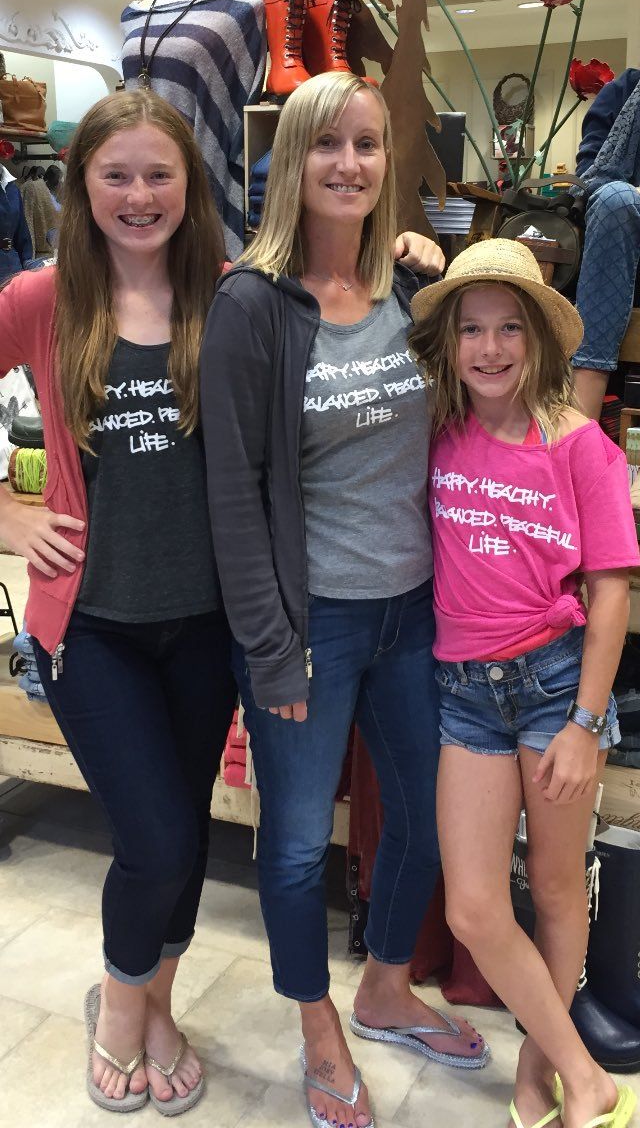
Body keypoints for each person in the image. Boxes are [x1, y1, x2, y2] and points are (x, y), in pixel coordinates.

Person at [199, 70, 488, 1128]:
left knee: (420, 816)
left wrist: (441, 264)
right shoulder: (251, 305)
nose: (349, 163)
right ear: (291, 161)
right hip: (311, 620)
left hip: (414, 610)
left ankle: (385, 987)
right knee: (290, 843)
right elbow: (233, 496)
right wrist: (270, 648)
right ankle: (318, 1026)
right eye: (327, 143)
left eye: (366, 144)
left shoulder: (410, 290)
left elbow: (484, 371)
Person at [0, 89, 238, 1115]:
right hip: (91, 627)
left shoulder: (229, 297)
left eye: (159, 174)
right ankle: (120, 1006)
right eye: (116, 174)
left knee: (185, 829)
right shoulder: (40, 298)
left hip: (208, 625)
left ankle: (155, 1003)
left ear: (190, 184)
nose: (139, 195)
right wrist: (6, 517)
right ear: (81, 183)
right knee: (155, 839)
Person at [410, 237, 639, 1128]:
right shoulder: (439, 430)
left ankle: (540, 1073)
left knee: (553, 888)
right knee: (474, 906)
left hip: (555, 686)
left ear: (538, 339)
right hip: (465, 693)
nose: (491, 347)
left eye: (510, 327)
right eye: (472, 328)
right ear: (451, 342)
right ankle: (590, 1077)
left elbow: (611, 591)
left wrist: (585, 721)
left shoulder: (581, 447)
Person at [572, 67, 640, 418]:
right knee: (615, 198)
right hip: (624, 239)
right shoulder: (626, 89)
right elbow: (590, 174)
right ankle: (581, 418)